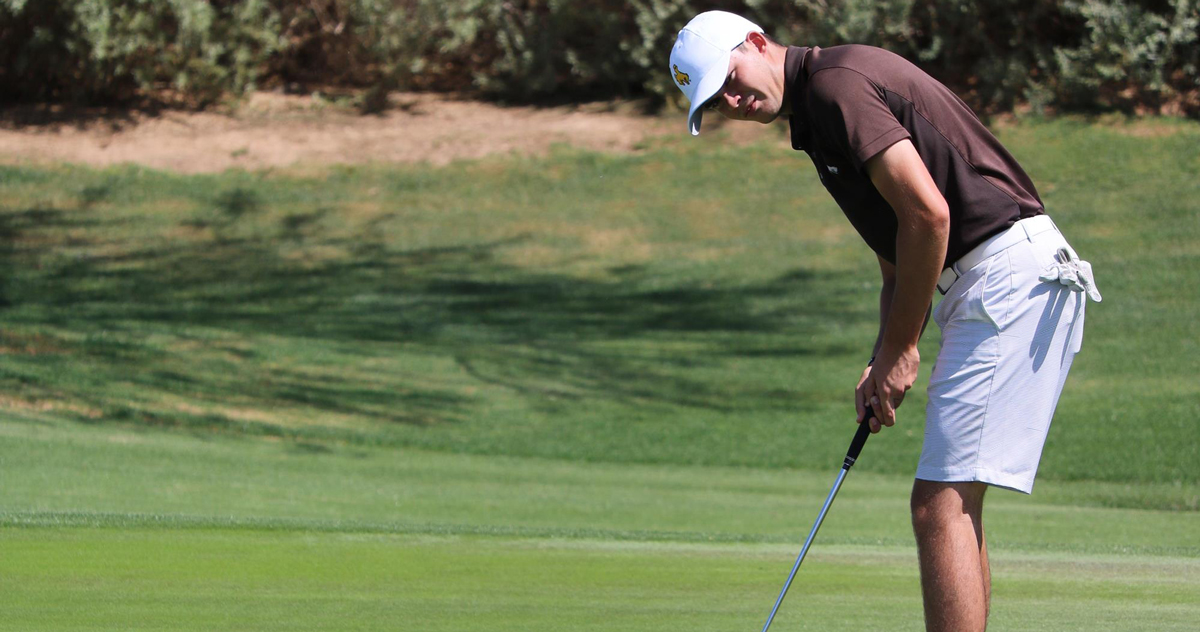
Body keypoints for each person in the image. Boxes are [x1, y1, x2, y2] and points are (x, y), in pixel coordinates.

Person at [668, 10, 1101, 632]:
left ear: (757, 42)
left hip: (1006, 274)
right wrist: (882, 356)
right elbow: (897, 262)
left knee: (938, 505)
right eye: (715, 101)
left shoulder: (835, 87)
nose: (731, 102)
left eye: (728, 80)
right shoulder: (816, 117)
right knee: (951, 502)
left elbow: (929, 216)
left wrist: (902, 350)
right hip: (987, 283)